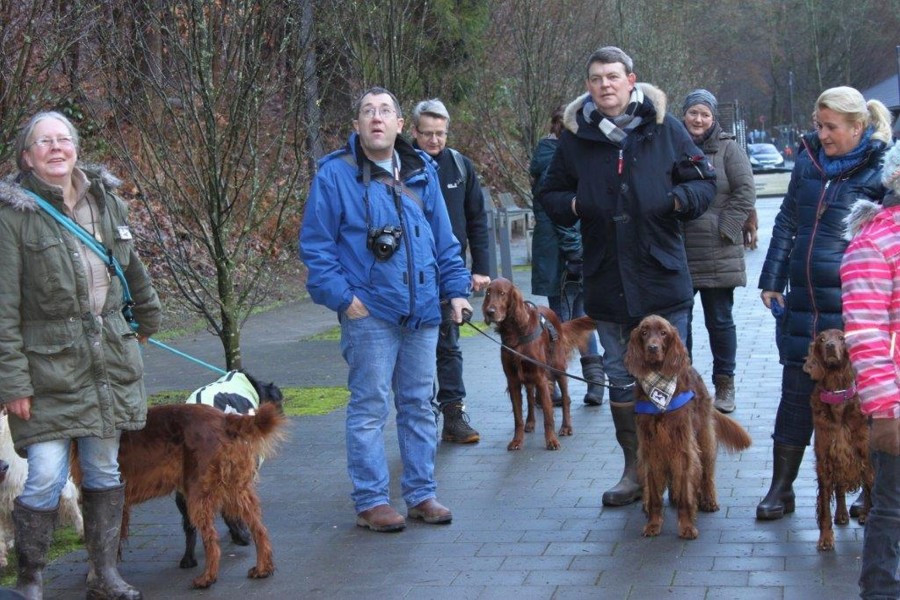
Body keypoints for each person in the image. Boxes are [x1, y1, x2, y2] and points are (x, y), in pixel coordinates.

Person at [538, 46, 716, 507]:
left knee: (675, 376)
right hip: (607, 277)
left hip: (661, 275)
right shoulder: (576, 137)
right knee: (621, 377)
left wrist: (675, 201)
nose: (605, 85)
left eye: (613, 76)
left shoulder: (665, 127)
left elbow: (703, 182)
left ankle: (685, 469)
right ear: (589, 85)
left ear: (631, 80)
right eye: (597, 78)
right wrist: (577, 205)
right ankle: (637, 471)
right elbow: (550, 193)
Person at [0, 111, 161, 599]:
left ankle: (103, 575)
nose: (56, 148)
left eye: (63, 139)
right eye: (43, 142)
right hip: (45, 368)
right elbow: (3, 307)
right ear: (27, 157)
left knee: (104, 470)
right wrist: (13, 382)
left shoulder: (106, 202)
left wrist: (147, 318)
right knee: (45, 477)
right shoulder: (11, 216)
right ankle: (30, 581)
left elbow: (130, 267)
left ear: (75, 148)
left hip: (106, 361)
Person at [300, 87, 473, 533]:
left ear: (399, 125)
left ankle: (421, 493)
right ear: (356, 125)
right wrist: (345, 300)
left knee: (419, 406)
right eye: (367, 111)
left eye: (385, 111)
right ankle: (372, 501)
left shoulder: (422, 170)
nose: (376, 118)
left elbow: (445, 239)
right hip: (370, 313)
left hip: (423, 312)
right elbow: (317, 247)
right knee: (370, 408)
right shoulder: (334, 175)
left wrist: (456, 290)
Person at [756, 86, 892, 521]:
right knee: (795, 396)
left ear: (858, 127)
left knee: (863, 404)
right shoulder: (808, 161)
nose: (823, 134)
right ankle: (782, 488)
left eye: (831, 127)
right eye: (819, 125)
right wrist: (771, 278)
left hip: (854, 305)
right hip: (803, 304)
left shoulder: (881, 169)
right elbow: (787, 220)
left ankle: (870, 489)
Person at [410, 98, 488, 444]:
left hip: (448, 270)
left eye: (440, 133)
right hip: (411, 272)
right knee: (416, 350)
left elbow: (477, 218)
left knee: (449, 345)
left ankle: (454, 415)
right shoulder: (400, 166)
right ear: (414, 132)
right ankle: (421, 416)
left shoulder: (460, 166)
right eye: (427, 133)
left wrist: (481, 268)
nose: (434, 140)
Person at [842, 140, 900, 599]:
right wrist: (885, 410)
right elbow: (865, 335)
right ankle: (879, 591)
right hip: (895, 404)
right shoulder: (874, 243)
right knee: (892, 509)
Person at [681, 89, 756, 414]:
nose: (698, 119)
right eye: (693, 113)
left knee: (720, 321)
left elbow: (745, 191)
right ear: (684, 114)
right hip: (679, 252)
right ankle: (683, 385)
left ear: (713, 118)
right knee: (678, 324)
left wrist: (727, 228)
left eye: (705, 114)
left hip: (718, 251)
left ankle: (725, 384)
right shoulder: (672, 146)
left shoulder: (728, 149)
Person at [529, 105, 605, 406]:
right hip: (563, 256)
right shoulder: (555, 157)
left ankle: (582, 383)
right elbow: (559, 211)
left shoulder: (556, 153)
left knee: (573, 318)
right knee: (565, 320)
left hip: (570, 253)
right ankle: (559, 385)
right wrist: (574, 249)